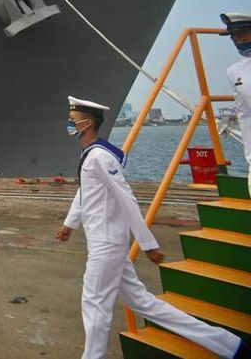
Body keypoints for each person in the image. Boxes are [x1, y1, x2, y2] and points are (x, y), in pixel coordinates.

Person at [54, 96, 245, 359]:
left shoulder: (100, 156)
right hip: (106, 242)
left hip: (106, 244)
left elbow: (127, 199)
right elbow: (85, 193)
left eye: (73, 120)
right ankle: (229, 345)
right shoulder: (92, 154)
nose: (70, 124)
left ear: (87, 123)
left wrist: (148, 244)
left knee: (95, 305)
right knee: (143, 303)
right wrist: (69, 224)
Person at [221, 12, 251, 194]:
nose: (237, 40)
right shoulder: (235, 72)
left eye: (242, 34)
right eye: (233, 37)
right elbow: (245, 115)